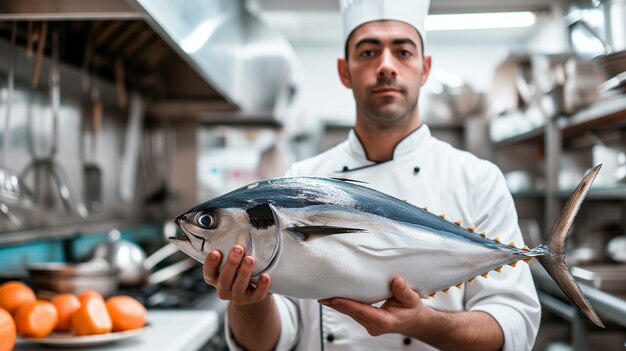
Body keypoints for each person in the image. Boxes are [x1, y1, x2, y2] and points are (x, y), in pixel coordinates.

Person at [203, 0, 541, 350]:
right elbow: (273, 341)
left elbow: (515, 327)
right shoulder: (301, 180)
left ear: (424, 69)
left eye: (403, 51)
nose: (385, 66)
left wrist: (422, 322)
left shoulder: (478, 179)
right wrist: (250, 302)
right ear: (344, 71)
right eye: (367, 52)